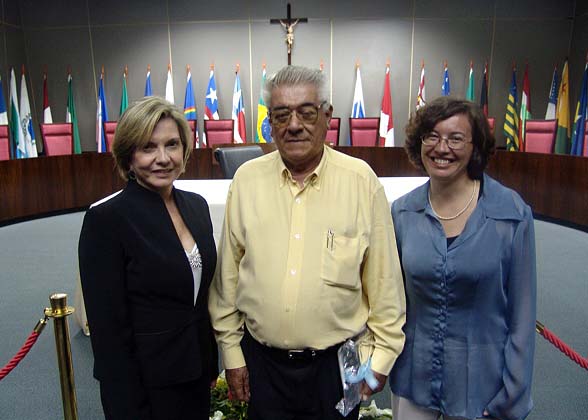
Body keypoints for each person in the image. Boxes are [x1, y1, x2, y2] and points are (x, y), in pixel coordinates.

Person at [208, 65, 406, 420]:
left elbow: (385, 286)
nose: (294, 125)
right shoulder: (246, 182)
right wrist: (232, 355)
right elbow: (227, 282)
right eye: (281, 114)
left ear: (327, 116)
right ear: (270, 122)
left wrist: (380, 360)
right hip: (262, 366)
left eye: (307, 112)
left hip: (336, 369)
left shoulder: (361, 183)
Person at [390, 97, 536, 420]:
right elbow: (391, 301)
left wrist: (513, 392)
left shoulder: (510, 214)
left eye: (455, 138)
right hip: (414, 380)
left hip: (483, 387)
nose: (442, 148)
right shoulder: (402, 213)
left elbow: (523, 317)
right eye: (431, 136)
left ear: (475, 147)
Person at [78, 96, 218, 420]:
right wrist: (127, 407)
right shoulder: (107, 220)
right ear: (128, 156)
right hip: (146, 387)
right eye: (148, 148)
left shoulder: (196, 206)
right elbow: (109, 334)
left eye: (172, 145)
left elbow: (199, 300)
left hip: (196, 373)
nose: (163, 158)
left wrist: (209, 362)